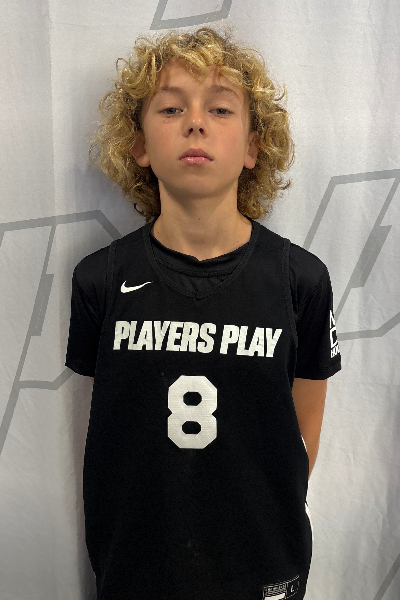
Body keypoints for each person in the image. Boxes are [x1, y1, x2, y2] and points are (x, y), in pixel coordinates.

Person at [65, 25, 341, 600]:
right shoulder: (99, 280)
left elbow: (302, 434)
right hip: (137, 565)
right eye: (171, 108)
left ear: (253, 147)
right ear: (138, 145)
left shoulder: (301, 280)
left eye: (220, 108)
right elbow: (114, 424)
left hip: (263, 561)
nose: (195, 123)